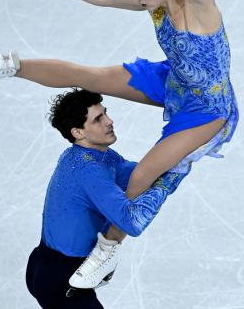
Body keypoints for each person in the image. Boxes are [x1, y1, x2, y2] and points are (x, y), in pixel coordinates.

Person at [0, 0, 238, 289]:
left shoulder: (200, 6)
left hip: (207, 109)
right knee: (89, 77)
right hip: (174, 81)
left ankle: (106, 250)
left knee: (142, 177)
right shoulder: (154, 5)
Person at [25, 88, 188, 308]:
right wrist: (170, 181)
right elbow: (131, 221)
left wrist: (184, 150)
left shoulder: (100, 156)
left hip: (50, 266)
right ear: (78, 132)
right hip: (60, 280)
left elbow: (141, 174)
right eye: (98, 119)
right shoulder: (88, 169)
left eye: (106, 113)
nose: (109, 121)